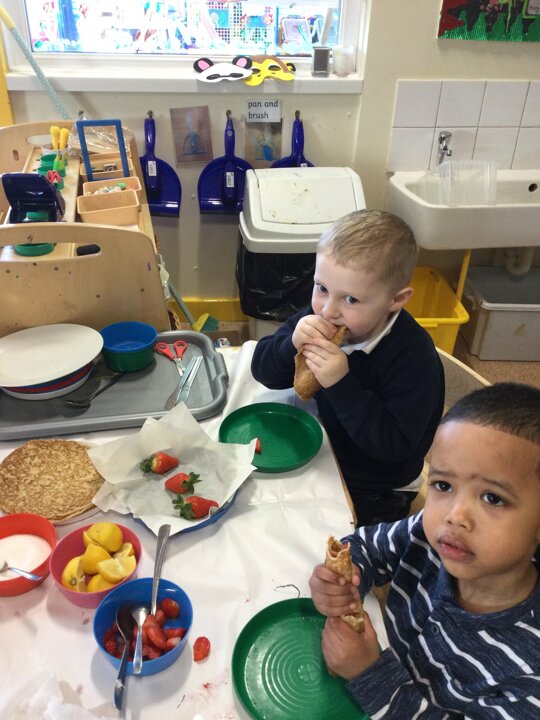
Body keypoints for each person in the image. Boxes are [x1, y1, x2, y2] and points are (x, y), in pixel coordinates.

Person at [309, 382, 540, 719]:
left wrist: (371, 675)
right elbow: (364, 547)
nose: (455, 516)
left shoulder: (529, 674)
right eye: (443, 485)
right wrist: (342, 581)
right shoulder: (429, 538)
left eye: (493, 498)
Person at [251, 209, 445, 525]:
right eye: (321, 288)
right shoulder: (318, 316)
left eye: (351, 299)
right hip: (322, 444)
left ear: (396, 300)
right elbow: (263, 371)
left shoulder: (414, 358)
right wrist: (290, 344)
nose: (328, 310)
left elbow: (394, 447)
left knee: (332, 545)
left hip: (376, 486)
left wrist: (341, 384)